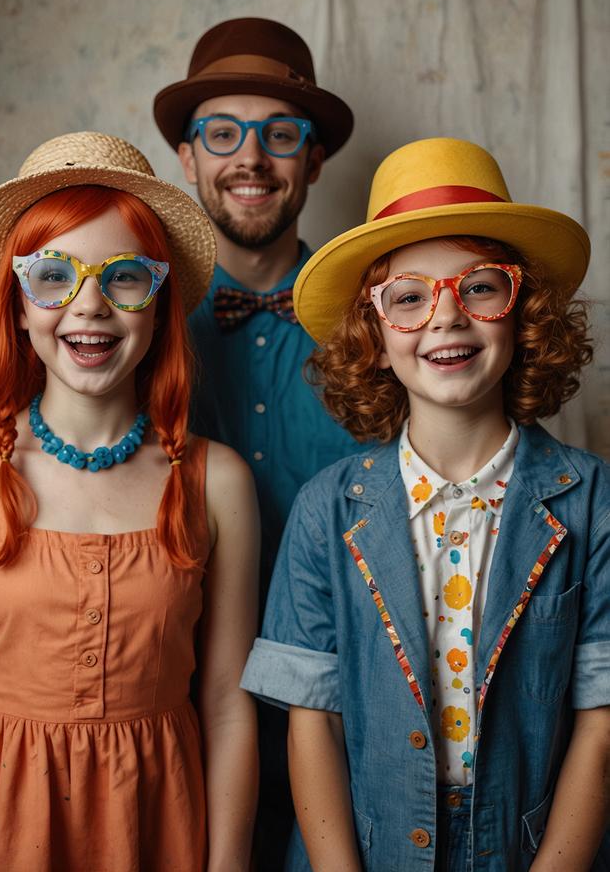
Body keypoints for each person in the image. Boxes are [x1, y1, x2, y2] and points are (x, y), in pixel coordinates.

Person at [242, 137, 610, 871]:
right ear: (373, 336)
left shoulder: (593, 500)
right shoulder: (327, 508)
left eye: (479, 286)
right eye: (407, 297)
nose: (446, 318)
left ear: (523, 311)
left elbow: (602, 724)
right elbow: (311, 724)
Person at [0, 131, 259, 872]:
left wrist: (229, 864)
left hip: (155, 826)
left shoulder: (218, 483)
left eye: (123, 278)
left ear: (158, 308)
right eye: (53, 276)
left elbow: (225, 704)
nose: (89, 307)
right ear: (19, 308)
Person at [154, 16, 371, 866]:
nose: (250, 157)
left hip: (353, 724)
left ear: (314, 160)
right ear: (187, 158)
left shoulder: (389, 331)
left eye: (279, 134)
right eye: (222, 133)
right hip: (178, 727)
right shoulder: (127, 338)